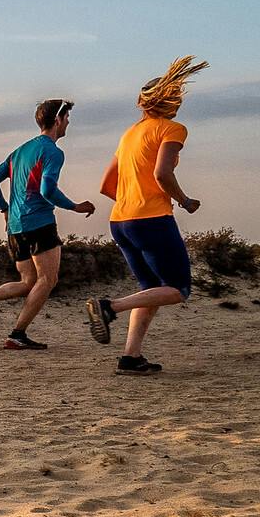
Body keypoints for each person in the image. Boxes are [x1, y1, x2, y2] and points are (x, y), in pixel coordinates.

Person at [86, 56, 208, 374]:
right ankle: (108, 308)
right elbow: (162, 173)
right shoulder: (172, 129)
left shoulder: (129, 134)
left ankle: (130, 357)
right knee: (178, 289)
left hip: (120, 221)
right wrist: (183, 200)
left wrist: (132, 201)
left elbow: (105, 184)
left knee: (150, 290)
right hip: (151, 220)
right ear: (170, 100)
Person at [0, 98, 95, 349]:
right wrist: (75, 206)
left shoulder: (19, 151)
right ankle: (17, 334)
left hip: (15, 227)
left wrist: (4, 208)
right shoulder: (53, 151)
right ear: (57, 120)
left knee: (28, 282)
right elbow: (47, 189)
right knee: (48, 280)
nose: (68, 123)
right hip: (39, 223)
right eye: (67, 119)